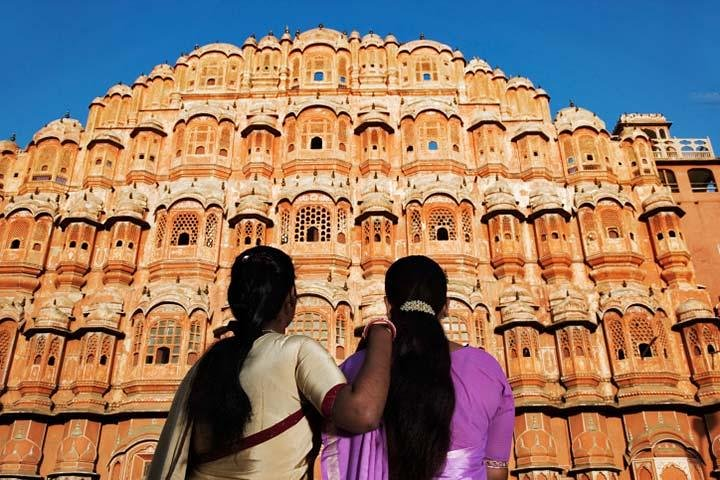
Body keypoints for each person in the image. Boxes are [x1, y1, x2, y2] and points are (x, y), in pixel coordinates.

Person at [147, 246, 394, 480]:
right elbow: (362, 413)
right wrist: (381, 331)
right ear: (290, 300)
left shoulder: (204, 366)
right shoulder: (296, 351)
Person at [322, 255, 515, 480]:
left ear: (388, 305)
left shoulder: (355, 368)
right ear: (446, 307)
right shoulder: (486, 369)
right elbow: (496, 469)